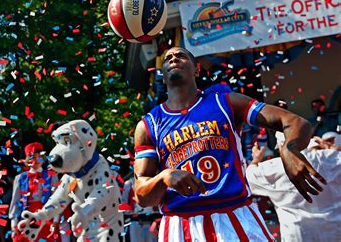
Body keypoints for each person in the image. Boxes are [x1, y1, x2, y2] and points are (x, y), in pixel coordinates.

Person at [132, 47, 326, 241]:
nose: (173, 59)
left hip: (235, 215)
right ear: (163, 76)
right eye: (168, 58)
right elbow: (143, 196)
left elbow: (295, 122)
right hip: (180, 226)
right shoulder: (149, 125)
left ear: (196, 70)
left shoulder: (226, 103)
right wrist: (164, 176)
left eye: (181, 55)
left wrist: (289, 149)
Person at [247, 132, 341, 241]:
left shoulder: (274, 168)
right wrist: (332, 149)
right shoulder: (332, 158)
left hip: (298, 236)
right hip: (335, 233)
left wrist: (255, 159)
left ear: (282, 146)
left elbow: (248, 178)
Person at [8, 142, 59, 242]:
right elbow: (15, 202)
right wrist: (14, 225)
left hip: (45, 217)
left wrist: (56, 220)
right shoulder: (20, 178)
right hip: (26, 218)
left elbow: (57, 199)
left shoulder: (51, 175)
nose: (36, 160)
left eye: (39, 157)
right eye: (33, 157)